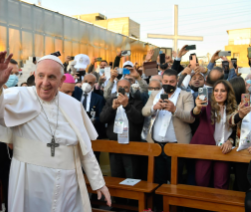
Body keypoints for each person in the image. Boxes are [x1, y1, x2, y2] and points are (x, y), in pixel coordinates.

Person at [0, 51, 111, 212]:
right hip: (30, 183)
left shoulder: (74, 106)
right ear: (34, 75)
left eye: (52, 77)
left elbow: (85, 150)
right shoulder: (19, 96)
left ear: (61, 81)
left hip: (67, 185)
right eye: (41, 76)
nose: (45, 82)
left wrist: (99, 182)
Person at [142, 69, 194, 211]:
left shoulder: (185, 95)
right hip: (156, 145)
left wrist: (175, 109)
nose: (168, 84)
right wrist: (154, 107)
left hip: (176, 146)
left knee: (175, 181)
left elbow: (191, 117)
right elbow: (144, 111)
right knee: (158, 181)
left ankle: (175, 208)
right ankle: (160, 208)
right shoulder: (154, 94)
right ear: (162, 81)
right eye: (165, 81)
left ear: (176, 81)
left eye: (171, 81)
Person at [191, 80, 237, 189]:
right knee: (201, 182)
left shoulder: (233, 108)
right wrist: (197, 107)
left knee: (221, 184)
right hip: (205, 149)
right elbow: (195, 114)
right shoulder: (206, 105)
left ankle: (219, 206)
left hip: (223, 150)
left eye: (222, 91)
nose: (219, 93)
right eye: (216, 90)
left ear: (228, 93)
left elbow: (235, 131)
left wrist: (230, 141)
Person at [100, 79, 144, 180]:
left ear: (130, 89)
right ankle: (116, 196)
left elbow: (138, 120)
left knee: (132, 175)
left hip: (131, 144)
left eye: (126, 88)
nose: (123, 90)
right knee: (116, 175)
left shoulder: (137, 102)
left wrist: (127, 106)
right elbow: (103, 118)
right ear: (116, 88)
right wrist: (112, 108)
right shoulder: (111, 101)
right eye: (120, 88)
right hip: (115, 143)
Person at [229, 77, 251, 192]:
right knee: (242, 185)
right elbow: (230, 122)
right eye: (246, 84)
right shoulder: (234, 108)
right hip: (241, 150)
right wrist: (240, 114)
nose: (249, 85)